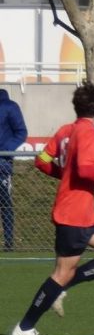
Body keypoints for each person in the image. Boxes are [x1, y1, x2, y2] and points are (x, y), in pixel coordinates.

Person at [12, 82, 94, 335]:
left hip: (86, 213)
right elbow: (85, 169)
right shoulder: (88, 133)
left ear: (76, 107)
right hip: (73, 215)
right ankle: (25, 326)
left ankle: (62, 288)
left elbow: (42, 161)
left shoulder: (66, 131)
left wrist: (64, 175)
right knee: (60, 273)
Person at [0, 89, 28, 251]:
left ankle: (9, 242)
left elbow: (21, 131)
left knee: (5, 204)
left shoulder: (10, 106)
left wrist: (5, 150)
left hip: (2, 164)